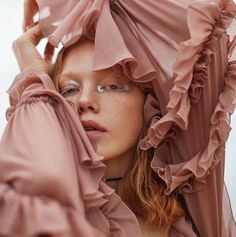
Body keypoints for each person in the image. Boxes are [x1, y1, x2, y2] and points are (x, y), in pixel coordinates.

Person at [0, 0, 236, 236]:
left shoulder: (192, 193)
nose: (83, 101)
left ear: (150, 106)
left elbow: (208, 23)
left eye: (112, 86)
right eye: (69, 90)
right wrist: (34, 78)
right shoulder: (46, 207)